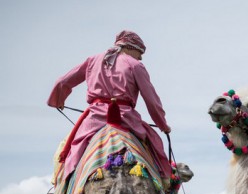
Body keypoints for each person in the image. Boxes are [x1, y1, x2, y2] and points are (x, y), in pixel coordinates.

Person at [47, 30, 172, 185]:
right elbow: (151, 100)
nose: (140, 57)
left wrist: (58, 100)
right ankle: (165, 184)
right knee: (155, 145)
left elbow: (62, 81)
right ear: (129, 47)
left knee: (67, 154)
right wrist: (162, 125)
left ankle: (61, 189)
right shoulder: (136, 65)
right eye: (140, 52)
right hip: (126, 119)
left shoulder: (92, 60)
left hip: (94, 120)